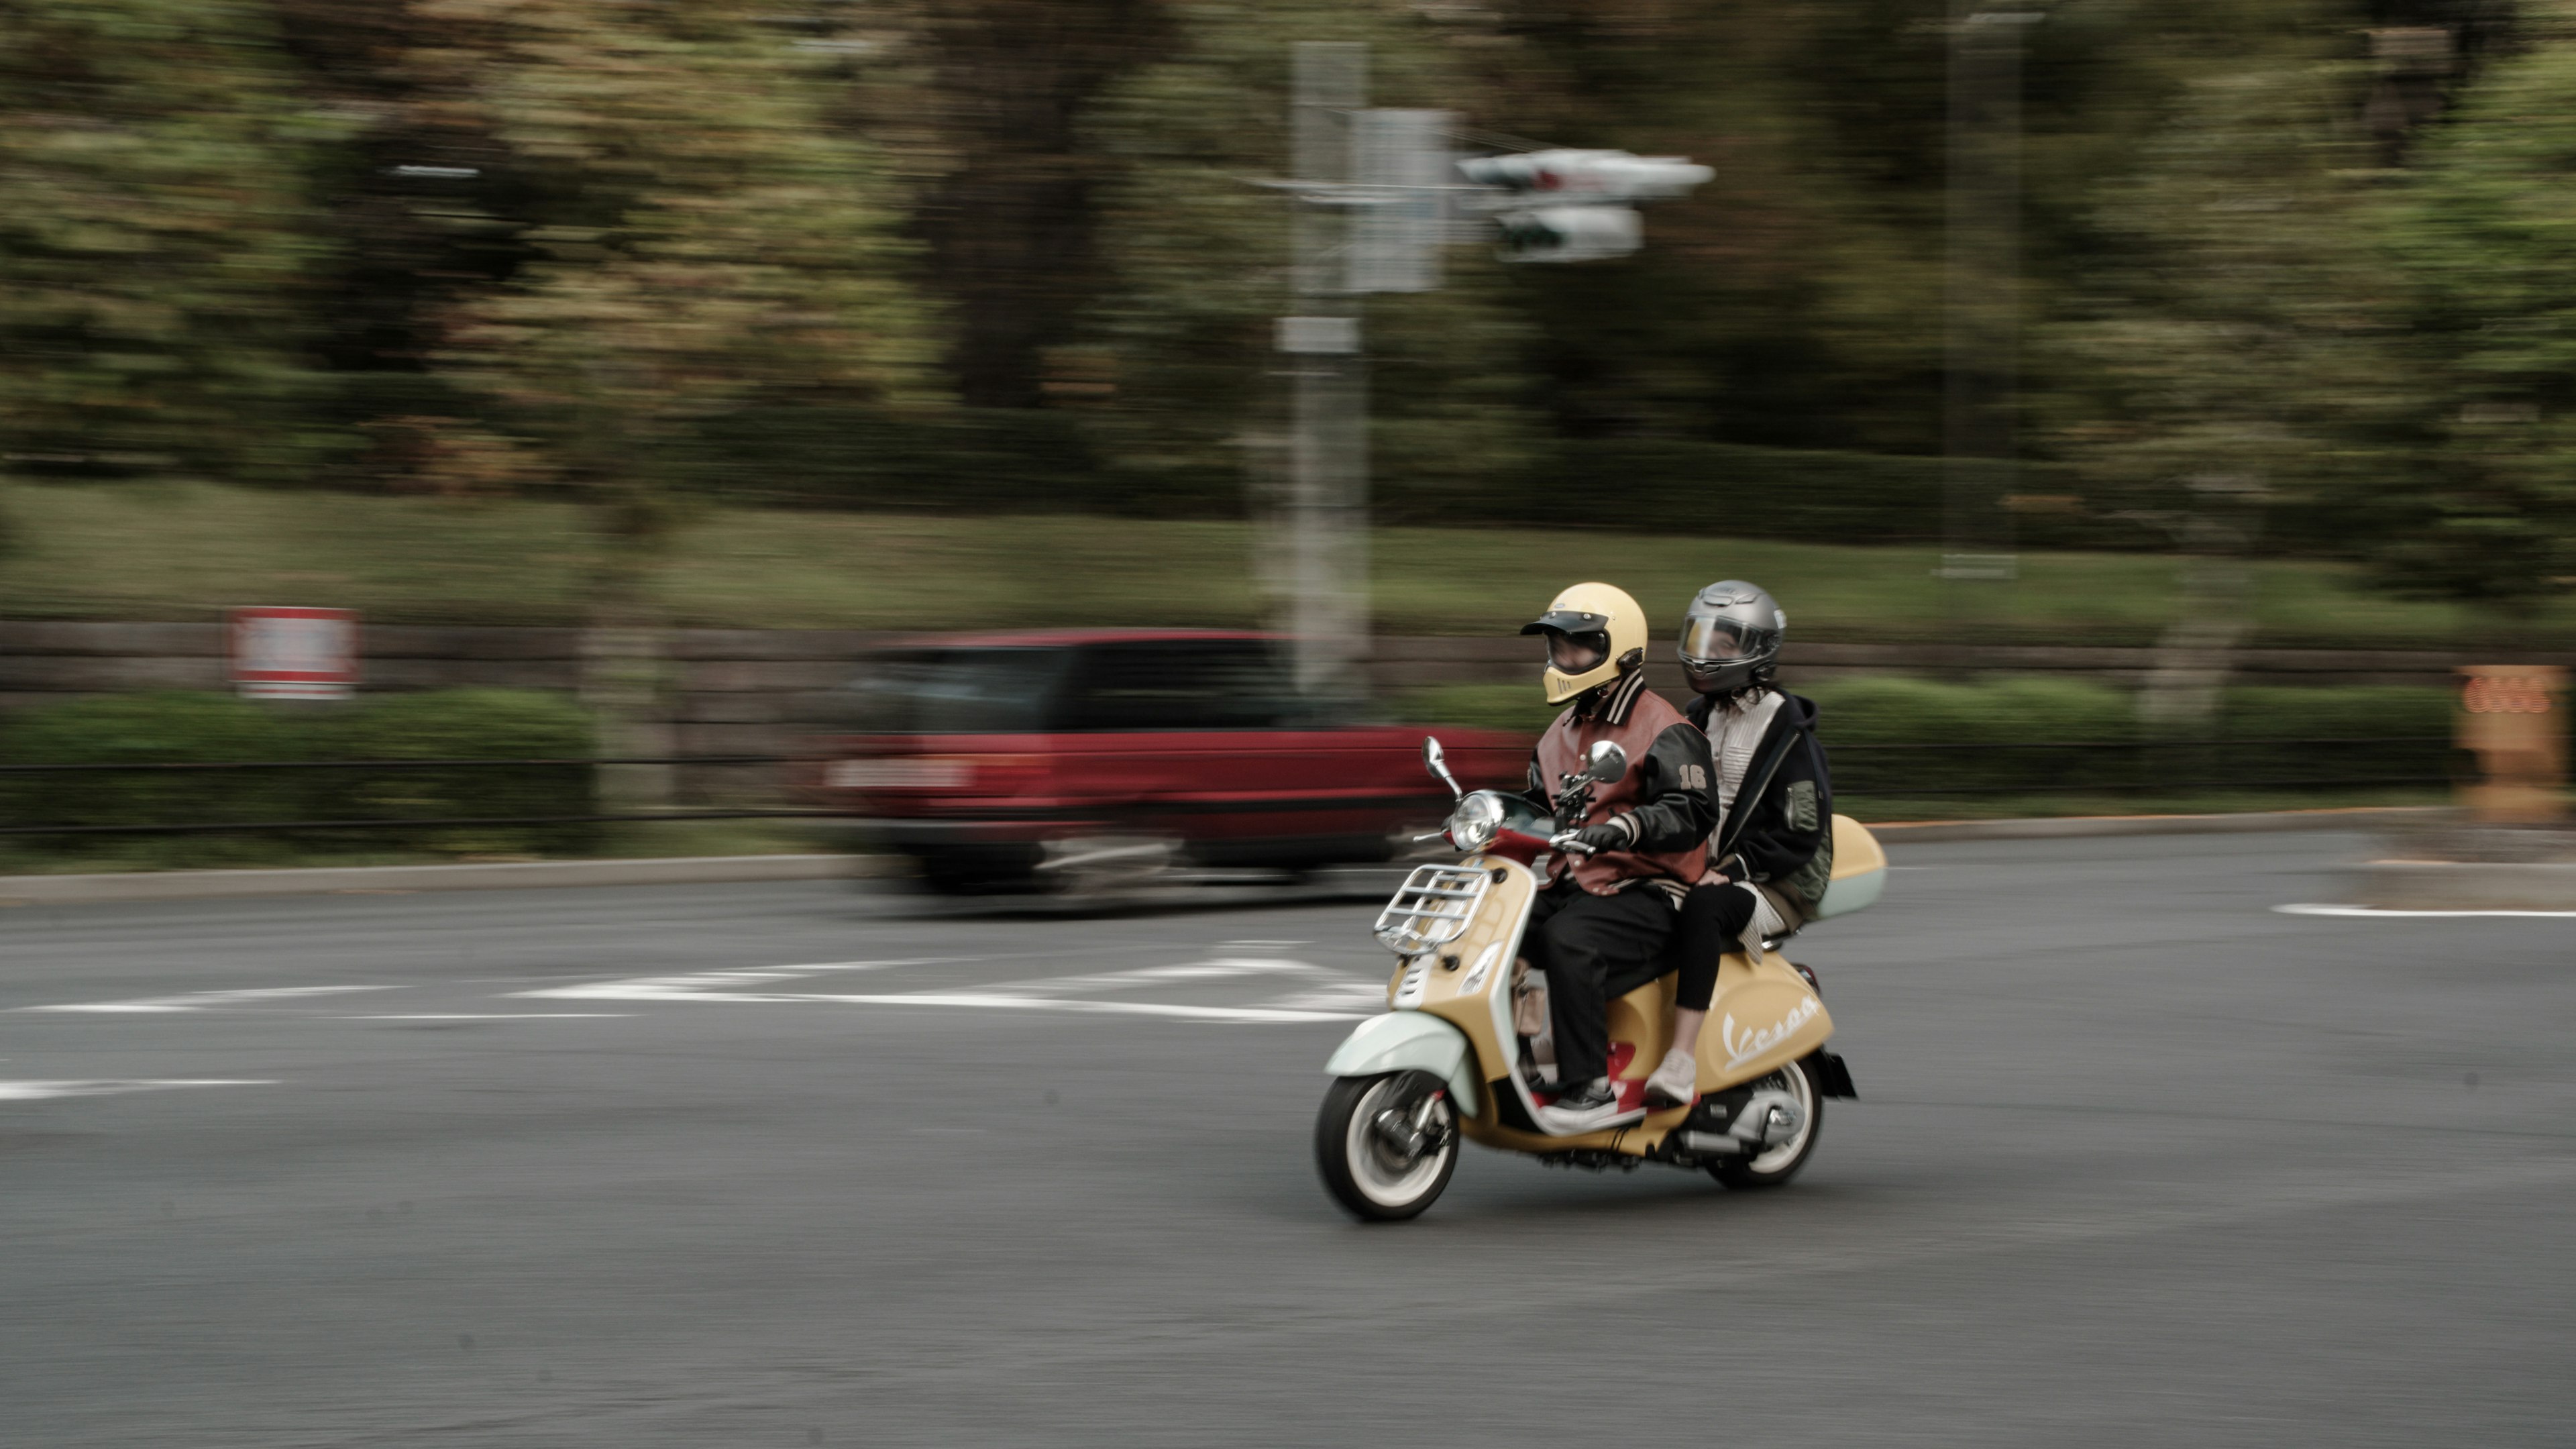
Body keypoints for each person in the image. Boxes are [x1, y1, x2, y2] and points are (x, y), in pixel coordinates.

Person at [1514, 583, 1717, 1132]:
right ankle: (1518, 1059)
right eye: (1557, 646)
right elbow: (1537, 809)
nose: (1563, 658)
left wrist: (1627, 827)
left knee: (1569, 941)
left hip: (1647, 892)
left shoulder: (1667, 728)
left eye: (1577, 646)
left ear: (1618, 651)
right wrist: (1485, 817)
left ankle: (1590, 1087)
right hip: (1574, 884)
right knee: (1492, 929)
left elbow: (1693, 811)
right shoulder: (1559, 732)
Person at [1644, 580, 1835, 1108]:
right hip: (1700, 865)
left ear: (1758, 651)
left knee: (1704, 907)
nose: (1706, 653)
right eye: (1701, 638)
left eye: (1723, 645)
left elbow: (1801, 831)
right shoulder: (1700, 715)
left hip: (1776, 882)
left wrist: (1733, 869)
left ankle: (1681, 1062)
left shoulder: (1788, 731)